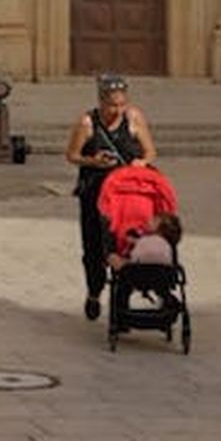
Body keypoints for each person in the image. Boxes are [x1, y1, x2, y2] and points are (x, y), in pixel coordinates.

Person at [65, 72, 158, 319]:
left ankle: (122, 298)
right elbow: (72, 155)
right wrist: (93, 161)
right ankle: (94, 292)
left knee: (126, 244)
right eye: (111, 105)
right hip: (95, 192)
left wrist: (141, 163)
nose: (117, 110)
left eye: (121, 104)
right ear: (101, 102)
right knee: (94, 246)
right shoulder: (87, 123)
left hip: (127, 195)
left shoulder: (134, 118)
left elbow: (150, 153)